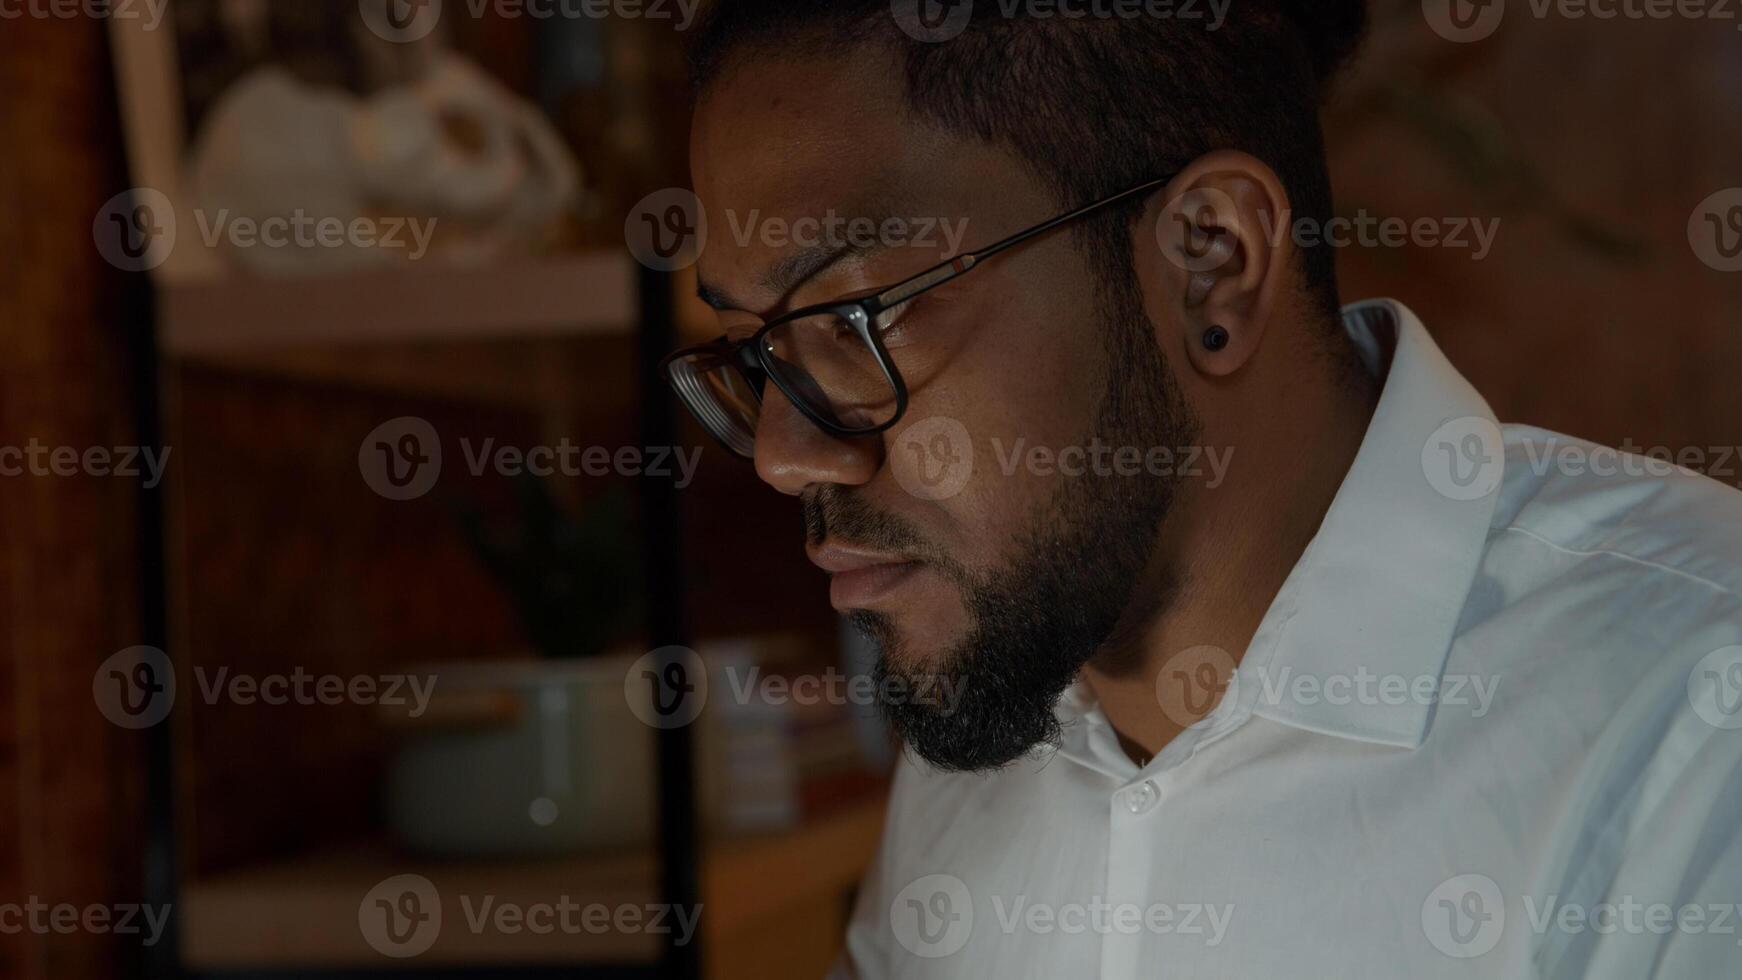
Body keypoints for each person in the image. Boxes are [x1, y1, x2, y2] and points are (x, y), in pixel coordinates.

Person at [660, 2, 1742, 975]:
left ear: (1210, 260)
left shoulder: (1691, 717)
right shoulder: (993, 668)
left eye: (854, 319)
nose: (782, 455)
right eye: (754, 351)